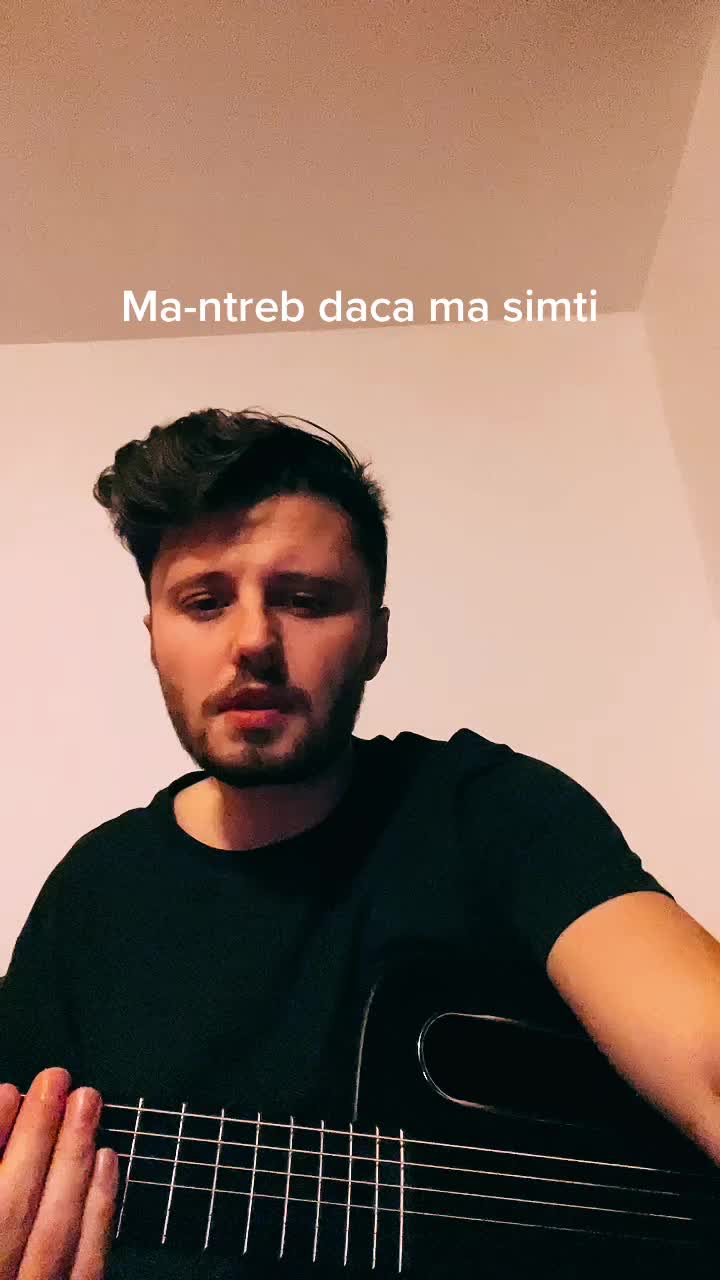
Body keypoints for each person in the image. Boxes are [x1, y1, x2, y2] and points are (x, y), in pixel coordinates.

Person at [1, 407, 719, 1279]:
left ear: (376, 639)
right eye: (204, 602)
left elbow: (702, 1047)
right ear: (154, 638)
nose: (254, 641)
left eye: (306, 600)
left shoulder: (487, 809)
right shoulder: (92, 896)